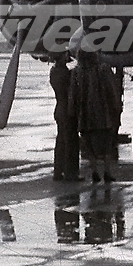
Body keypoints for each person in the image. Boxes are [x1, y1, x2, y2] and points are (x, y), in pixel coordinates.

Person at [69, 49, 122, 183]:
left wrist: (73, 112)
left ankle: (94, 172)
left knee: (89, 145)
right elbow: (111, 90)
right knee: (107, 144)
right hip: (104, 114)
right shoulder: (103, 69)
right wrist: (116, 107)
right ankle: (107, 171)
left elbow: (73, 94)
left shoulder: (76, 72)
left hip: (85, 115)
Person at [50, 53, 80, 181]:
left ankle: (58, 171)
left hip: (60, 108)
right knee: (71, 142)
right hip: (67, 109)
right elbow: (72, 88)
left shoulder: (54, 72)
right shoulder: (65, 73)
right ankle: (71, 173)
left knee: (61, 141)